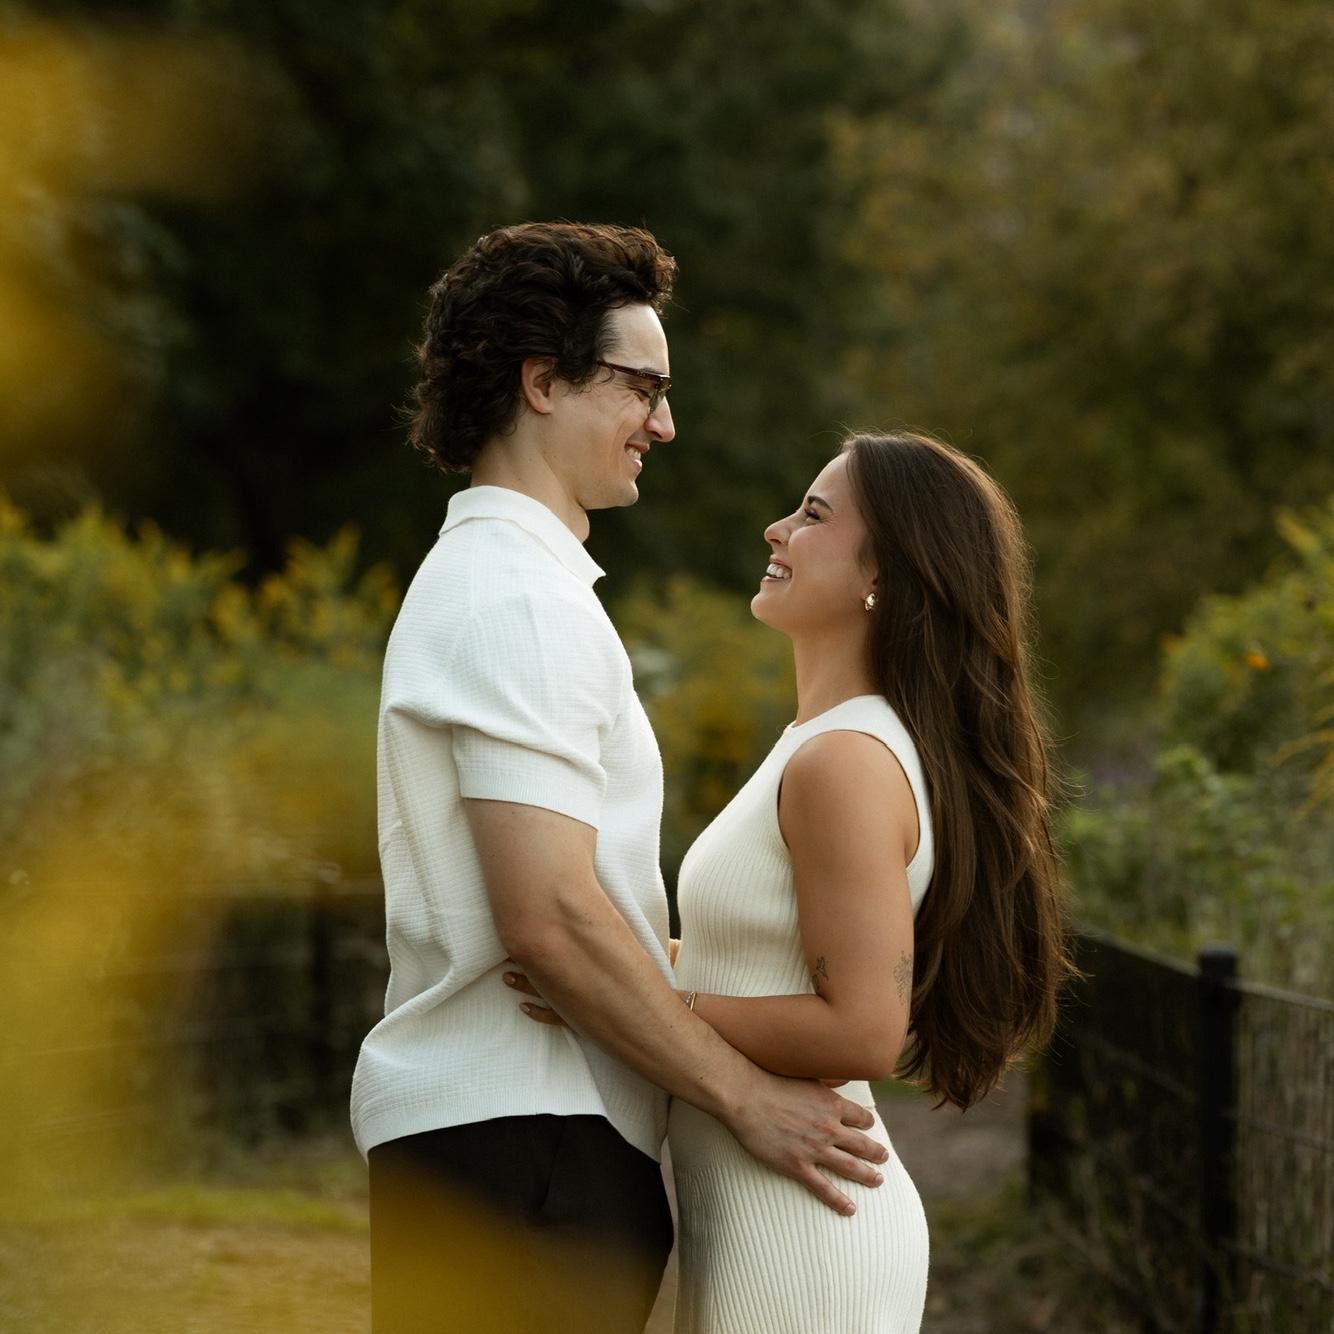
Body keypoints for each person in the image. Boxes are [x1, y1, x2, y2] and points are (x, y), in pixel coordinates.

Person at [349, 223, 891, 1334]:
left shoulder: (514, 585)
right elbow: (549, 910)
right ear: (542, 382)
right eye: (641, 388)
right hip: (525, 1144)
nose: (664, 424)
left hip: (527, 1144)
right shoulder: (516, 598)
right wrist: (745, 1096)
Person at [514, 430, 1073, 1332]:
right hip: (763, 1210)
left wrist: (641, 999)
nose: (776, 530)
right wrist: (610, 966)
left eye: (812, 515)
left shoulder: (843, 761)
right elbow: (755, 962)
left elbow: (862, 1029)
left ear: (881, 573)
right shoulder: (822, 743)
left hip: (805, 1234)